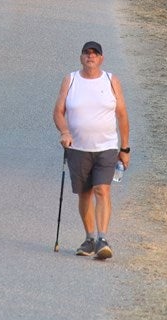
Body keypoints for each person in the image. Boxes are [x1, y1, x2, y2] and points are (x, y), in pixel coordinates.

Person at [53, 41, 131, 259]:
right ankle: (89, 239)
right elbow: (58, 112)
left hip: (106, 147)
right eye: (87, 53)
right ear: (81, 57)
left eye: (95, 53)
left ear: (101, 59)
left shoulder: (111, 81)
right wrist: (65, 132)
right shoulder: (71, 80)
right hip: (77, 148)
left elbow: (122, 115)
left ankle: (102, 238)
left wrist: (124, 148)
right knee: (85, 193)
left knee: (102, 190)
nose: (91, 56)